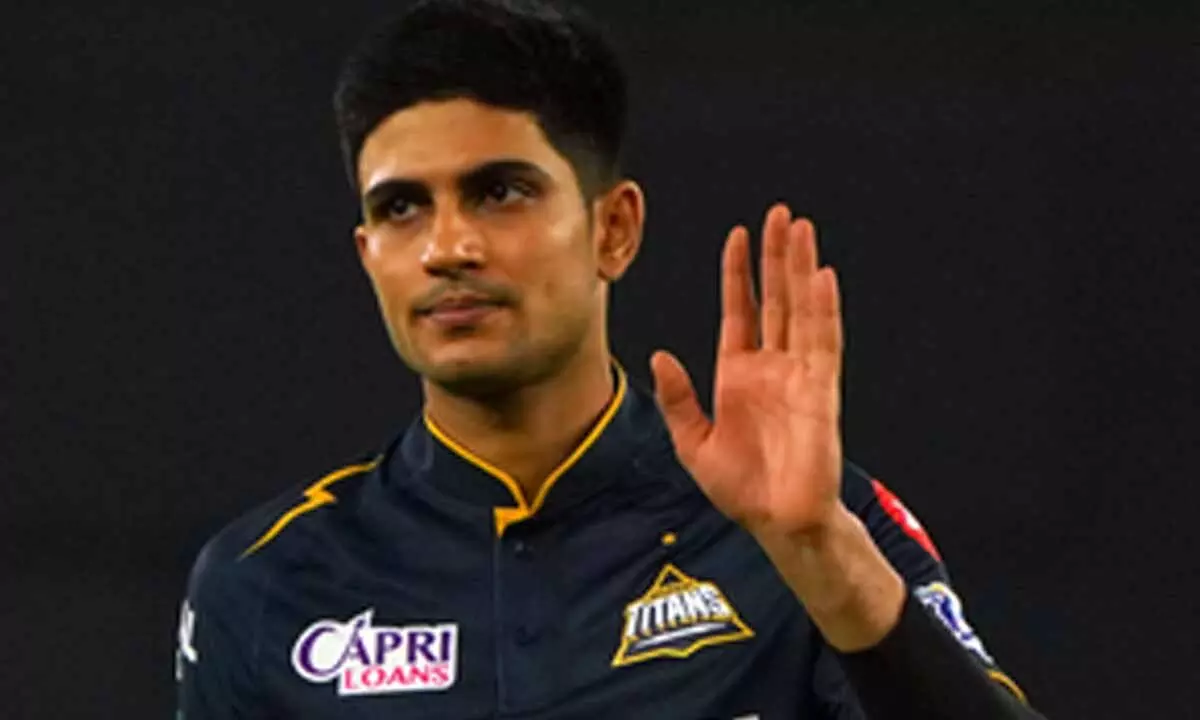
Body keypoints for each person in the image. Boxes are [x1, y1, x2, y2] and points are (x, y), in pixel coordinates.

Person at [175, 0, 1044, 717]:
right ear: (368, 256)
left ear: (615, 229)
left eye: (500, 191)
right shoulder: (266, 581)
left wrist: (823, 558)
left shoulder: (805, 524)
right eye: (402, 208)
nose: (447, 247)